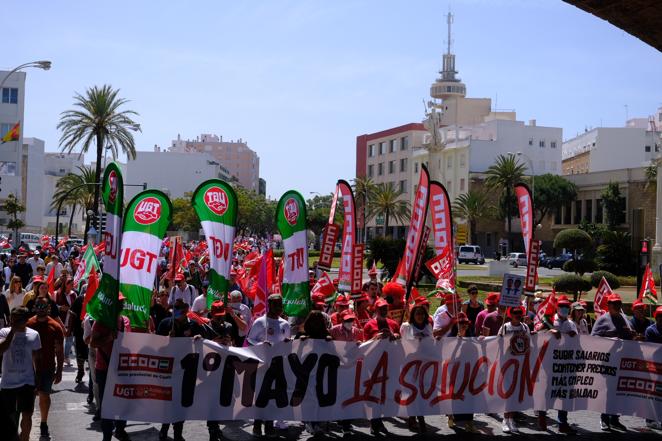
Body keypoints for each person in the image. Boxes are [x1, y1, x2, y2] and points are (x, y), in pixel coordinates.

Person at [157, 301, 203, 441]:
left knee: (183, 402)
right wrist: (166, 340)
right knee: (168, 401)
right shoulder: (165, 324)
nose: (179, 313)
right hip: (169, 370)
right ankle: (164, 429)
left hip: (187, 371)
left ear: (187, 310)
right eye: (176, 310)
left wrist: (198, 338)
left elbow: (202, 346)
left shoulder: (194, 325)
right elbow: (156, 345)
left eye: (182, 311)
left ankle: (178, 432)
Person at [247, 294, 291, 438]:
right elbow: (250, 339)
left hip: (278, 364)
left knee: (274, 395)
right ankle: (257, 424)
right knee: (261, 394)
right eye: (276, 305)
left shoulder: (285, 324)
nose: (279, 308)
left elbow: (287, 345)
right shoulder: (260, 322)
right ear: (269, 305)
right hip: (263, 364)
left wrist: (289, 343)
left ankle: (270, 424)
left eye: (280, 305)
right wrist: (261, 344)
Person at [90, 294, 131, 441]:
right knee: (107, 403)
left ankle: (120, 428)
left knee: (123, 400)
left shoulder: (126, 321)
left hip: (122, 368)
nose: (121, 304)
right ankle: (107, 434)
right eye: (119, 302)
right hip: (104, 368)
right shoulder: (100, 321)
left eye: (122, 302)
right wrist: (108, 338)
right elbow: (92, 343)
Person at [591, 293, 632, 432]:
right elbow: (593, 338)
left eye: (619, 303)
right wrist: (611, 340)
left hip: (621, 362)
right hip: (607, 362)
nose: (617, 305)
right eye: (614, 303)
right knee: (607, 392)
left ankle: (615, 419)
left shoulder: (624, 318)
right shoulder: (602, 320)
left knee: (618, 392)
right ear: (608, 305)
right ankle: (604, 418)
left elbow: (629, 335)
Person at [0, 307, 42, 441]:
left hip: (27, 381)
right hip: (8, 382)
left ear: (26, 320)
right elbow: (2, 349)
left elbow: (37, 359)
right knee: (9, 418)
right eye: (13, 318)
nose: (14, 321)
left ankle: (25, 438)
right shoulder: (4, 332)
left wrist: (38, 380)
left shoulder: (34, 334)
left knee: (27, 415)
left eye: (18, 319)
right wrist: (13, 330)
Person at [26, 296, 64, 441]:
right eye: (38, 306)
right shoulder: (28, 324)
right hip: (28, 369)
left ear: (49, 308)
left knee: (44, 395)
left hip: (47, 367)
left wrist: (59, 370)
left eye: (44, 306)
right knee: (29, 397)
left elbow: (59, 351)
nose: (41, 309)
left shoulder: (55, 327)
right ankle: (26, 425)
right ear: (34, 307)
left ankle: (43, 423)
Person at [196, 301, 233, 441]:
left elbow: (234, 345)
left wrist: (228, 342)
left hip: (226, 367)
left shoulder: (229, 326)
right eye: (217, 316)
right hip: (210, 368)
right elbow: (201, 345)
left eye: (222, 316)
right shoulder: (205, 327)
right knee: (212, 398)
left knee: (223, 398)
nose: (220, 319)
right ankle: (212, 427)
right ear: (211, 314)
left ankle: (216, 425)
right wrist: (213, 341)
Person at [362, 298, 399, 436]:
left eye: (385, 308)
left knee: (385, 394)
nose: (383, 311)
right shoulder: (369, 325)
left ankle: (379, 421)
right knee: (374, 394)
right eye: (381, 309)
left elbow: (400, 341)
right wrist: (375, 338)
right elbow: (364, 345)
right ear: (376, 310)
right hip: (374, 364)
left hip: (390, 363)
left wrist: (395, 335)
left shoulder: (394, 324)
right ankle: (374, 422)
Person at [546, 297, 578, 434]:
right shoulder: (549, 321)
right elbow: (538, 335)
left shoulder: (571, 324)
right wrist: (550, 331)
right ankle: (542, 414)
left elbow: (578, 342)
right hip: (550, 363)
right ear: (557, 308)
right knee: (548, 391)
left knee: (564, 393)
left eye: (567, 307)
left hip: (566, 364)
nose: (564, 309)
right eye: (562, 307)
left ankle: (562, 422)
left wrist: (574, 335)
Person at [297, 310, 332, 436]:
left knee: (318, 397)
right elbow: (295, 351)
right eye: (314, 319)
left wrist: (329, 341)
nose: (316, 322)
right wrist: (301, 341)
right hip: (307, 371)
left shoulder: (326, 334)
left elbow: (333, 350)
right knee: (308, 397)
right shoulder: (302, 334)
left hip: (321, 371)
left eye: (319, 319)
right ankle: (308, 421)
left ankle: (316, 422)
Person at [400, 303, 432, 433]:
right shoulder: (406, 327)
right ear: (413, 315)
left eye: (422, 314)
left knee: (422, 392)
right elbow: (401, 345)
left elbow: (432, 343)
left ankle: (418, 416)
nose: (420, 316)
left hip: (425, 365)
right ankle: (414, 418)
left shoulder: (428, 327)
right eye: (417, 313)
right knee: (412, 392)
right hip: (410, 365)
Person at [498, 306, 530, 433]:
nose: (518, 315)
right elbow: (497, 342)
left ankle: (511, 419)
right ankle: (505, 419)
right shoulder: (505, 327)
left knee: (515, 393)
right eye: (515, 313)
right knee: (508, 393)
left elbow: (529, 343)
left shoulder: (525, 327)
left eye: (519, 313)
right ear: (510, 314)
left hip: (520, 364)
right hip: (508, 364)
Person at [448, 312, 476, 432]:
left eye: (465, 324)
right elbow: (448, 356)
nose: (464, 326)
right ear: (456, 325)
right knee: (454, 396)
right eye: (461, 324)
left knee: (469, 397)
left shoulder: (472, 339)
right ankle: (451, 417)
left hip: (468, 372)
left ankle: (469, 422)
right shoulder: (450, 339)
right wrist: (456, 342)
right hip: (454, 372)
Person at [644, 306, 662, 429]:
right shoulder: (651, 330)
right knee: (653, 394)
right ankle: (650, 419)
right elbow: (652, 348)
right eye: (660, 316)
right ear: (656, 317)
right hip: (654, 367)